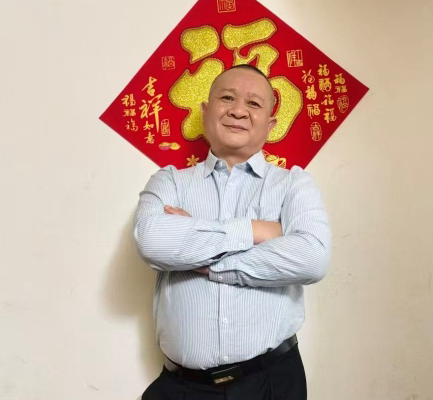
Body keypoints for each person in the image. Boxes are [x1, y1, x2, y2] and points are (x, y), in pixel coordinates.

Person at [135, 64, 331, 400]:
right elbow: (153, 242)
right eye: (227, 98)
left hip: (272, 382)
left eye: (254, 103)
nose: (238, 111)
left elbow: (312, 259)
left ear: (270, 124)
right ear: (205, 111)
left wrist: (205, 258)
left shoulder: (293, 185)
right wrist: (257, 230)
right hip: (182, 388)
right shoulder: (169, 182)